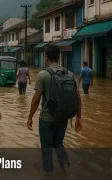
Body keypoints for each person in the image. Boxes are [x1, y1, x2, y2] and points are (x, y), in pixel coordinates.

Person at [27, 45, 82, 176]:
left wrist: (29, 117)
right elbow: (78, 98)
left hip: (47, 119)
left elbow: (36, 99)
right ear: (59, 56)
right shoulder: (69, 74)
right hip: (63, 118)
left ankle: (48, 174)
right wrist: (79, 117)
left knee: (46, 148)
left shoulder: (43, 74)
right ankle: (67, 171)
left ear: (46, 58)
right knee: (58, 143)